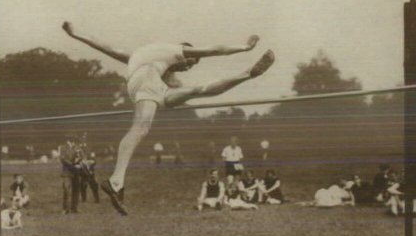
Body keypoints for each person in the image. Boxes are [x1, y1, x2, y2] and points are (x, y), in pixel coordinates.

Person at [62, 21, 275, 215]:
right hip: (147, 81)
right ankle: (116, 181)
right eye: (190, 64)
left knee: (199, 89)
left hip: (152, 86)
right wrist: (244, 47)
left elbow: (106, 47)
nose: (188, 67)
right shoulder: (175, 51)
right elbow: (215, 50)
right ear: (186, 54)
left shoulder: (146, 56)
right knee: (140, 129)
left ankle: (249, 73)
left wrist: (77, 35)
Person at [60, 133, 82, 214]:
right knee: (66, 190)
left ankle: (74, 208)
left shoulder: (77, 148)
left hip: (76, 172)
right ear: (68, 140)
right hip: (67, 172)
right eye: (71, 140)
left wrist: (79, 162)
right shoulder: (63, 148)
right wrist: (73, 166)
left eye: (74, 140)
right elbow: (63, 160)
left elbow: (81, 156)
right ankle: (65, 209)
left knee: (76, 190)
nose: (73, 142)